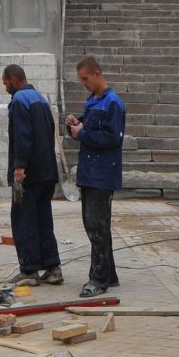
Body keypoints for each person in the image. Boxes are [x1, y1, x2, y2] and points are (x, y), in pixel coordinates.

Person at [67, 56, 125, 298]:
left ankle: (98, 279)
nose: (83, 84)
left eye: (85, 78)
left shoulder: (113, 103)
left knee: (96, 225)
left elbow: (113, 138)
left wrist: (83, 134)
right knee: (95, 225)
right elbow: (89, 129)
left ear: (97, 73)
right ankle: (108, 274)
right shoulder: (93, 100)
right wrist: (75, 124)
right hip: (89, 173)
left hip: (103, 173)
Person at [3, 64, 63, 285]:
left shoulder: (19, 101)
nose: (5, 87)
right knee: (43, 218)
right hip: (47, 172)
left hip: (28, 174)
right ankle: (53, 267)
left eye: (5, 83)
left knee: (24, 219)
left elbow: (22, 135)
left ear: (13, 79)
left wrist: (19, 166)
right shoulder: (40, 98)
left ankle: (29, 271)